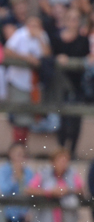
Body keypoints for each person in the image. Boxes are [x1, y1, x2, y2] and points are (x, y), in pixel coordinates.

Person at [4, 15, 51, 143]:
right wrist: (27, 58)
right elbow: (7, 51)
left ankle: (23, 147)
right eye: (31, 25)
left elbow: (47, 55)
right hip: (18, 82)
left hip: (34, 84)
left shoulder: (43, 36)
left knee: (30, 118)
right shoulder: (20, 35)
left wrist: (40, 38)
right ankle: (17, 145)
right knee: (19, 117)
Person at [50, 7, 90, 157]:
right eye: (71, 18)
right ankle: (61, 151)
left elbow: (86, 58)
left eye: (76, 19)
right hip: (60, 84)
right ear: (65, 21)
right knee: (62, 119)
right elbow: (49, 55)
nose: (74, 22)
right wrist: (57, 59)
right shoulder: (56, 38)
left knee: (75, 120)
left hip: (77, 84)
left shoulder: (84, 39)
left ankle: (72, 151)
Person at [27, 147, 83, 222]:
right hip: (44, 220)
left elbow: (81, 190)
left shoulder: (72, 174)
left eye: (65, 161)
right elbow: (30, 190)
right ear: (53, 162)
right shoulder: (43, 173)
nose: (63, 164)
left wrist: (67, 190)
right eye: (60, 160)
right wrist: (49, 192)